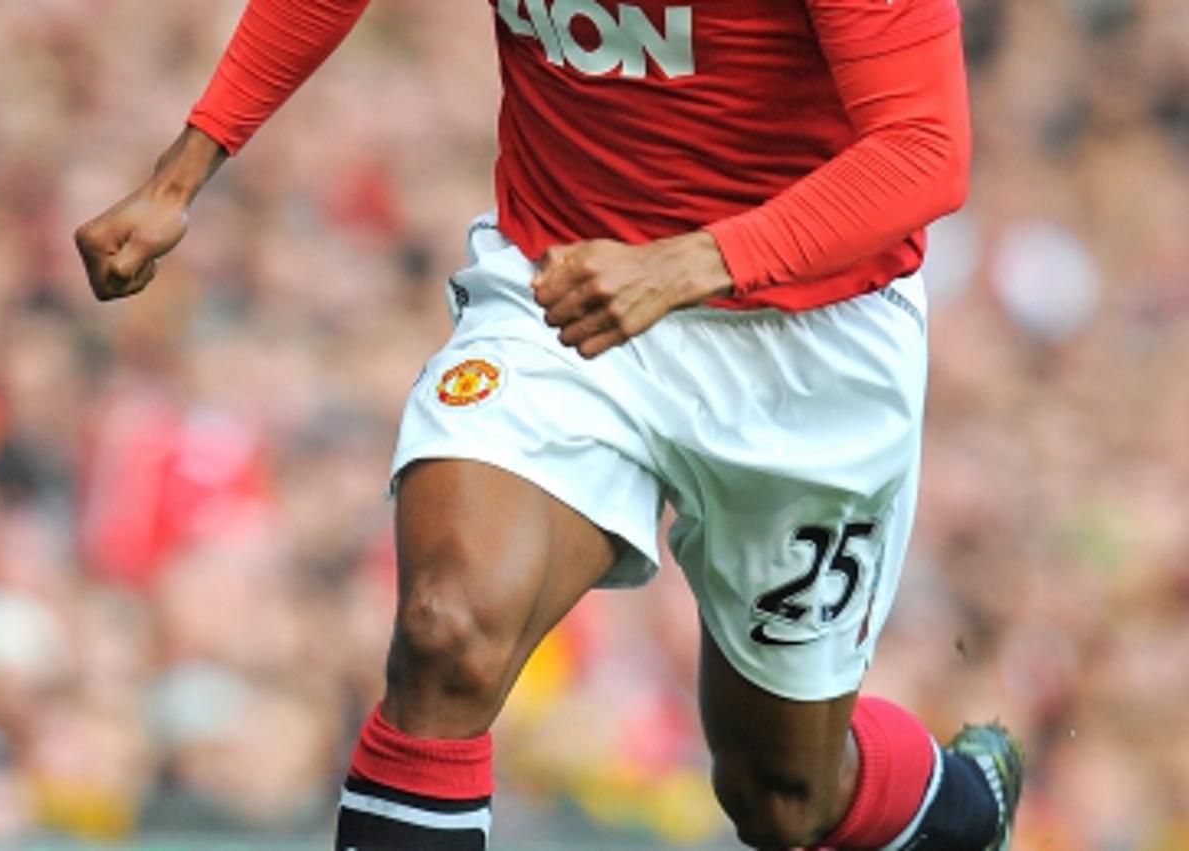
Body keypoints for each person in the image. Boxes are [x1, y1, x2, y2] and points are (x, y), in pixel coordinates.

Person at [74, 0, 1025, 848]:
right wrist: (182, 171)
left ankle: (958, 803)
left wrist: (690, 263)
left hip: (807, 336)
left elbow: (925, 148)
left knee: (781, 796)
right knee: (447, 629)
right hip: (562, 288)